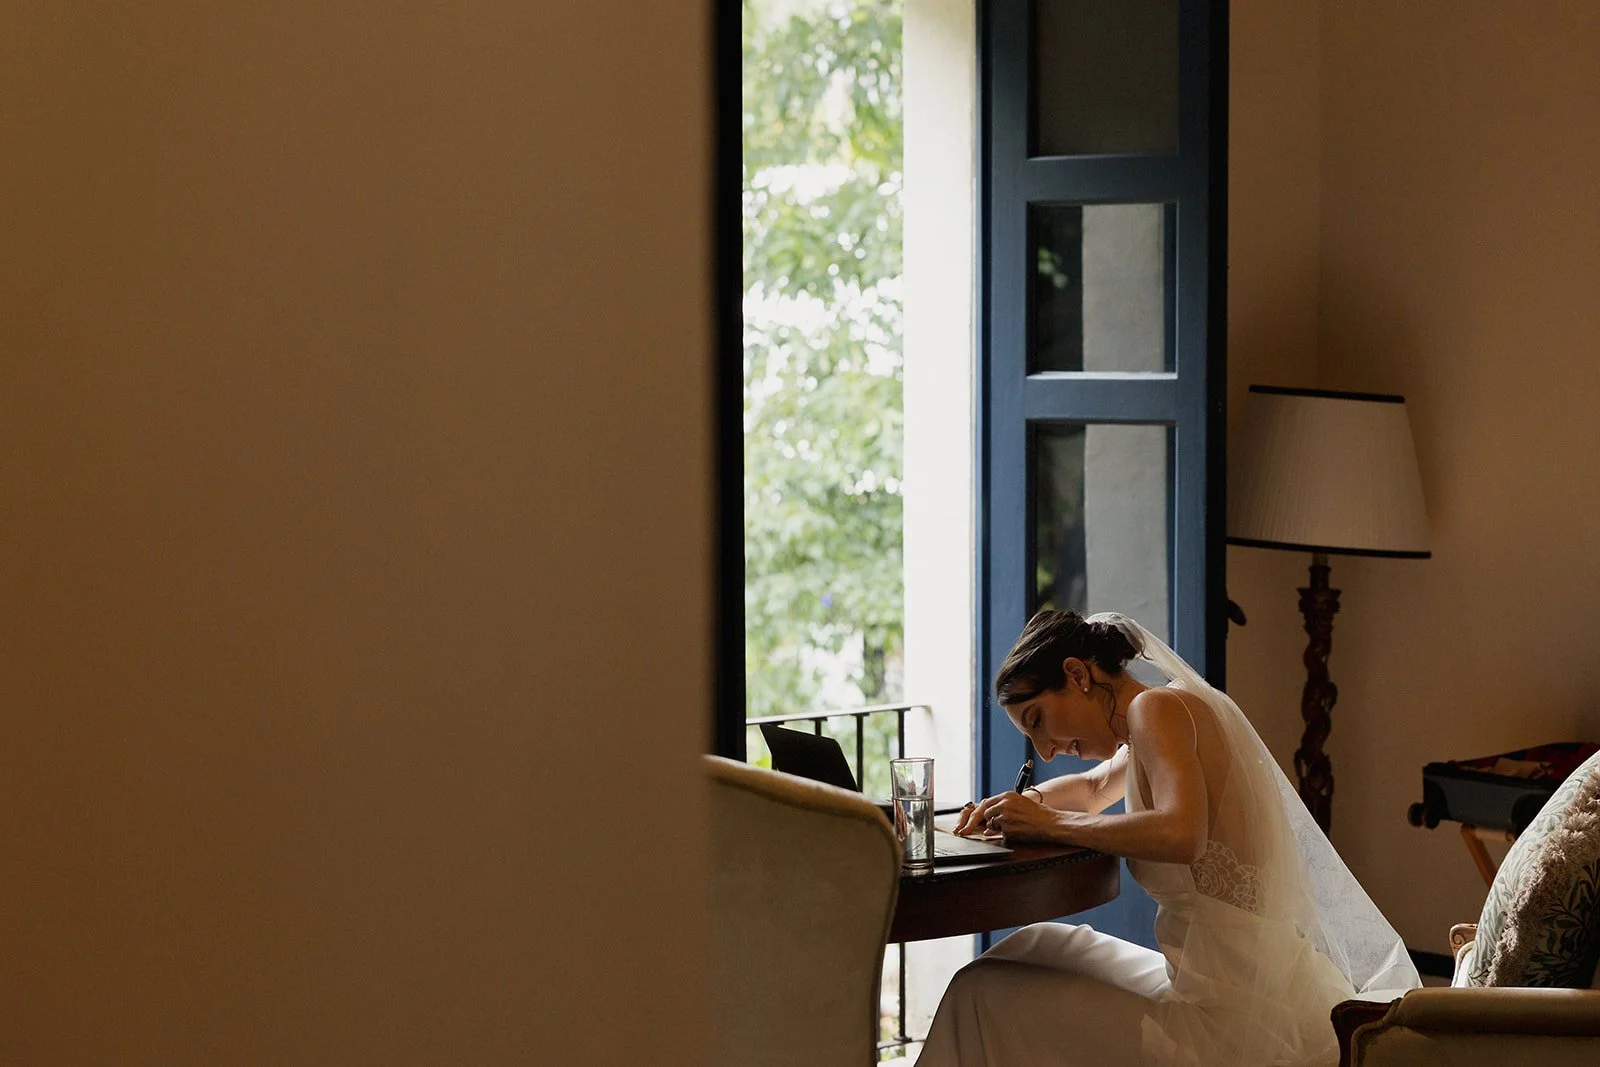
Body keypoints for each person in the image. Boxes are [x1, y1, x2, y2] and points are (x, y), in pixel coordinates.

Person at [915, 610, 1419, 1067]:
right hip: (1248, 989)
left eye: (1037, 721)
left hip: (1224, 1019)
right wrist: (1012, 808)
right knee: (1033, 946)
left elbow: (1182, 833)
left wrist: (1047, 824)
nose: (1044, 751)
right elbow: (1092, 789)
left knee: (982, 991)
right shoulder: (1157, 716)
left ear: (1077, 675)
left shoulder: (1155, 710)